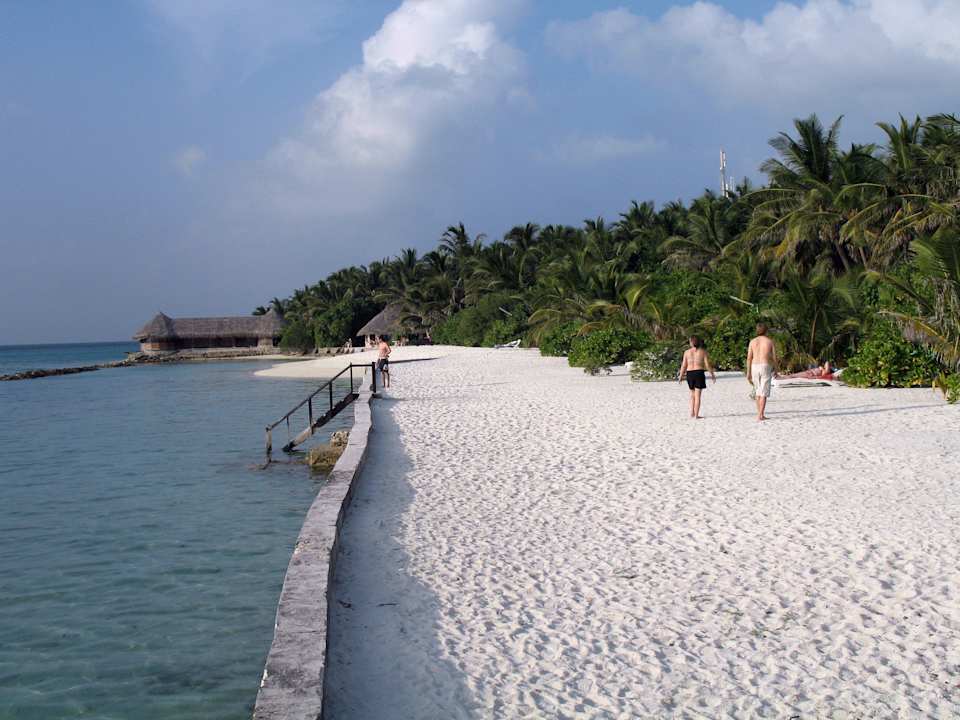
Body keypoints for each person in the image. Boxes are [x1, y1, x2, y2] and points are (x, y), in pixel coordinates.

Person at [678, 335, 716, 419]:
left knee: (692, 395)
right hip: (699, 372)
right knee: (698, 395)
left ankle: (692, 412)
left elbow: (684, 365)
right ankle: (696, 415)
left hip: (690, 373)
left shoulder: (687, 352)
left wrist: (681, 376)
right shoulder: (703, 352)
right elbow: (707, 365)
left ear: (691, 342)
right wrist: (712, 374)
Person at [746, 322, 777, 421]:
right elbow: (774, 358)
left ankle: (759, 413)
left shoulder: (752, 341)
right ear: (766, 330)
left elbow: (749, 358)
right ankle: (760, 415)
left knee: (758, 390)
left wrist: (748, 372)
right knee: (764, 391)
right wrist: (776, 369)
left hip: (754, 366)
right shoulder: (769, 341)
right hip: (765, 365)